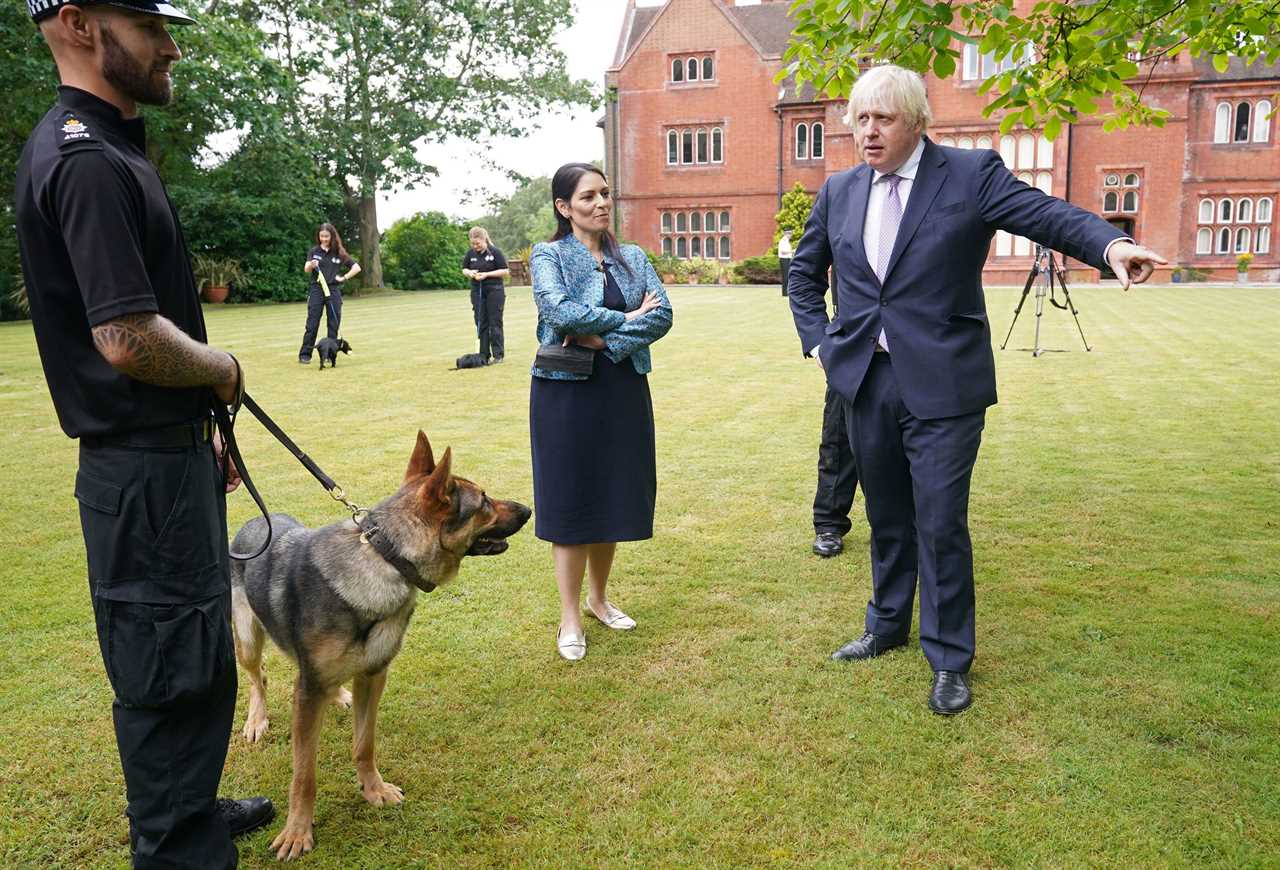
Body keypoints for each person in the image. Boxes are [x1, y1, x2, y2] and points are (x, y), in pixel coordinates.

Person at [787, 65, 1166, 715]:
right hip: (865, 382)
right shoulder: (840, 190)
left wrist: (1109, 245)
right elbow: (802, 274)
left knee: (938, 521)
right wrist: (821, 343)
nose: (867, 131)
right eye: (860, 119)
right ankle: (885, 626)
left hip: (945, 386)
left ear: (917, 122)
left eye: (883, 118)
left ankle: (949, 657)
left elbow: (1044, 214)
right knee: (887, 515)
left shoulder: (970, 175)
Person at [15, 1, 275, 866]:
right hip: (137, 474)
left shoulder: (117, 144)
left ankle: (188, 807)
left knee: (196, 647)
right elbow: (125, 337)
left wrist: (200, 429)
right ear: (81, 25)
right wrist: (220, 367)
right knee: (165, 664)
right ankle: (176, 845)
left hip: (167, 458)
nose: (171, 45)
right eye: (151, 25)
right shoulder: (83, 159)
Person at [528, 163, 673, 662]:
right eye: (588, 196)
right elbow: (559, 311)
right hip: (566, 394)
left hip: (622, 389)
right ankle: (570, 615)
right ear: (564, 208)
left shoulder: (632, 257)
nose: (601, 203)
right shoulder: (549, 254)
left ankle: (599, 600)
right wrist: (628, 317)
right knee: (571, 501)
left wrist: (605, 337)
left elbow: (664, 314)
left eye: (606, 193)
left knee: (612, 498)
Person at [811, 276, 859, 558]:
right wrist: (820, 343)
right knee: (837, 439)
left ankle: (908, 520)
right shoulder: (838, 227)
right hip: (850, 341)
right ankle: (829, 523)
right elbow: (805, 275)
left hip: (909, 338)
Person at [299, 223, 359, 364]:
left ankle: (329, 355)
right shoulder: (314, 251)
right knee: (312, 323)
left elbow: (356, 267)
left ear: (332, 236)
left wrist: (344, 278)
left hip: (333, 291)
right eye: (321, 236)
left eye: (326, 236)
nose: (324, 239)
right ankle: (305, 354)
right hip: (317, 290)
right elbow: (306, 269)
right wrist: (311, 265)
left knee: (333, 324)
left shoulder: (339, 252)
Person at [461, 226, 509, 363]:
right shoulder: (470, 254)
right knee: (481, 322)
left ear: (484, 239)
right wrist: (470, 273)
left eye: (478, 243)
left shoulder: (495, 252)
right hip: (477, 291)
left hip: (495, 290)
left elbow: (505, 270)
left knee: (495, 322)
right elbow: (464, 268)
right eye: (473, 243)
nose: (475, 246)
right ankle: (484, 355)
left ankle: (498, 355)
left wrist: (487, 274)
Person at [778, 230, 795, 296]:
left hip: (787, 259)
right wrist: (791, 251)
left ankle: (787, 291)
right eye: (790, 234)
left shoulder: (787, 241)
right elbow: (783, 251)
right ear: (787, 234)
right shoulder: (782, 241)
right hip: (784, 259)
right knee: (785, 276)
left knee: (787, 276)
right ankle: (785, 293)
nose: (791, 236)